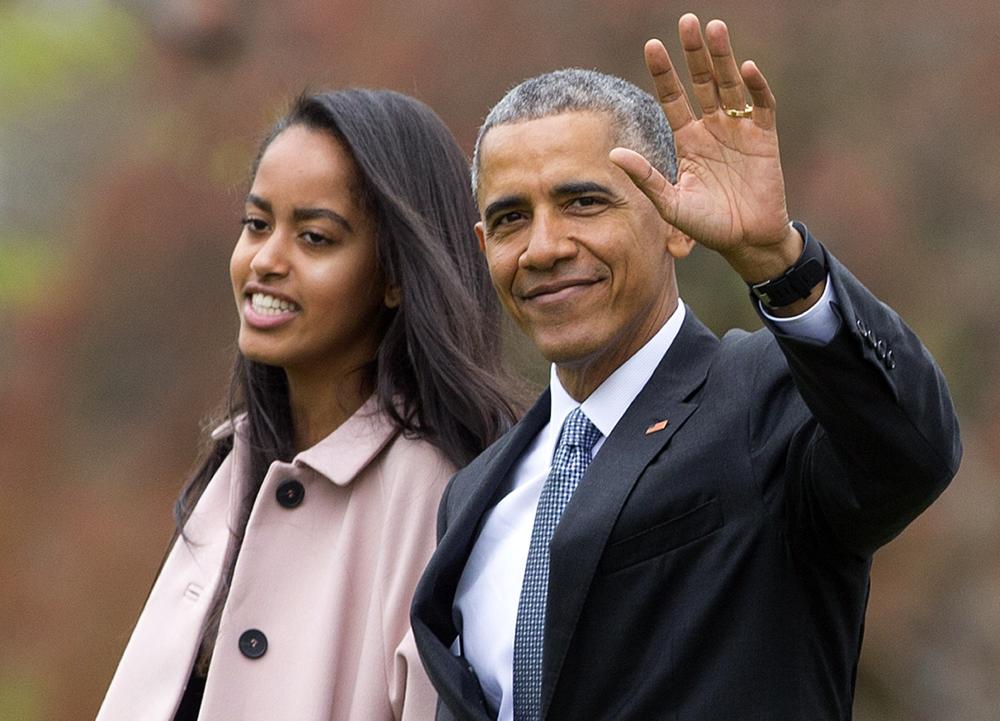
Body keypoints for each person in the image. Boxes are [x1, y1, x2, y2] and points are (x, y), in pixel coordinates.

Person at [411, 14, 961, 721]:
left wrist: (781, 264)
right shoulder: (475, 492)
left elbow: (911, 450)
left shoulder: (764, 398)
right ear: (484, 244)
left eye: (584, 202)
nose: (544, 247)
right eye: (512, 218)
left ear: (674, 221)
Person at [97, 89, 519, 721]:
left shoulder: (434, 490)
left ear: (396, 276)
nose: (266, 260)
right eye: (256, 224)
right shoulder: (235, 462)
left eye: (315, 237)